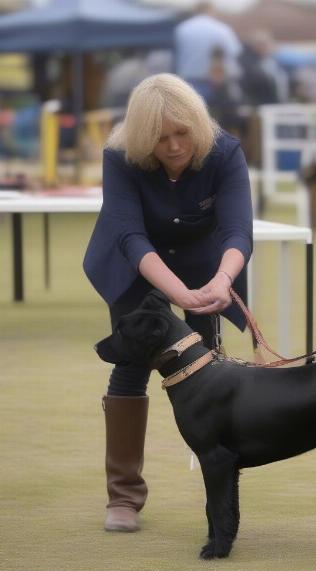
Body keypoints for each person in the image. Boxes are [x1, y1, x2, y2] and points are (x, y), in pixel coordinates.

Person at [83, 73, 253, 533]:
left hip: (206, 260)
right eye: (161, 138)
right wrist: (175, 293)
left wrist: (222, 279)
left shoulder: (224, 151)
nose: (175, 146)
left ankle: (222, 499)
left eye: (182, 133)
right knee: (132, 365)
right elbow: (129, 234)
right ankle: (123, 497)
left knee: (209, 365)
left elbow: (239, 229)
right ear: (142, 138)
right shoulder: (120, 157)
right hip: (134, 262)